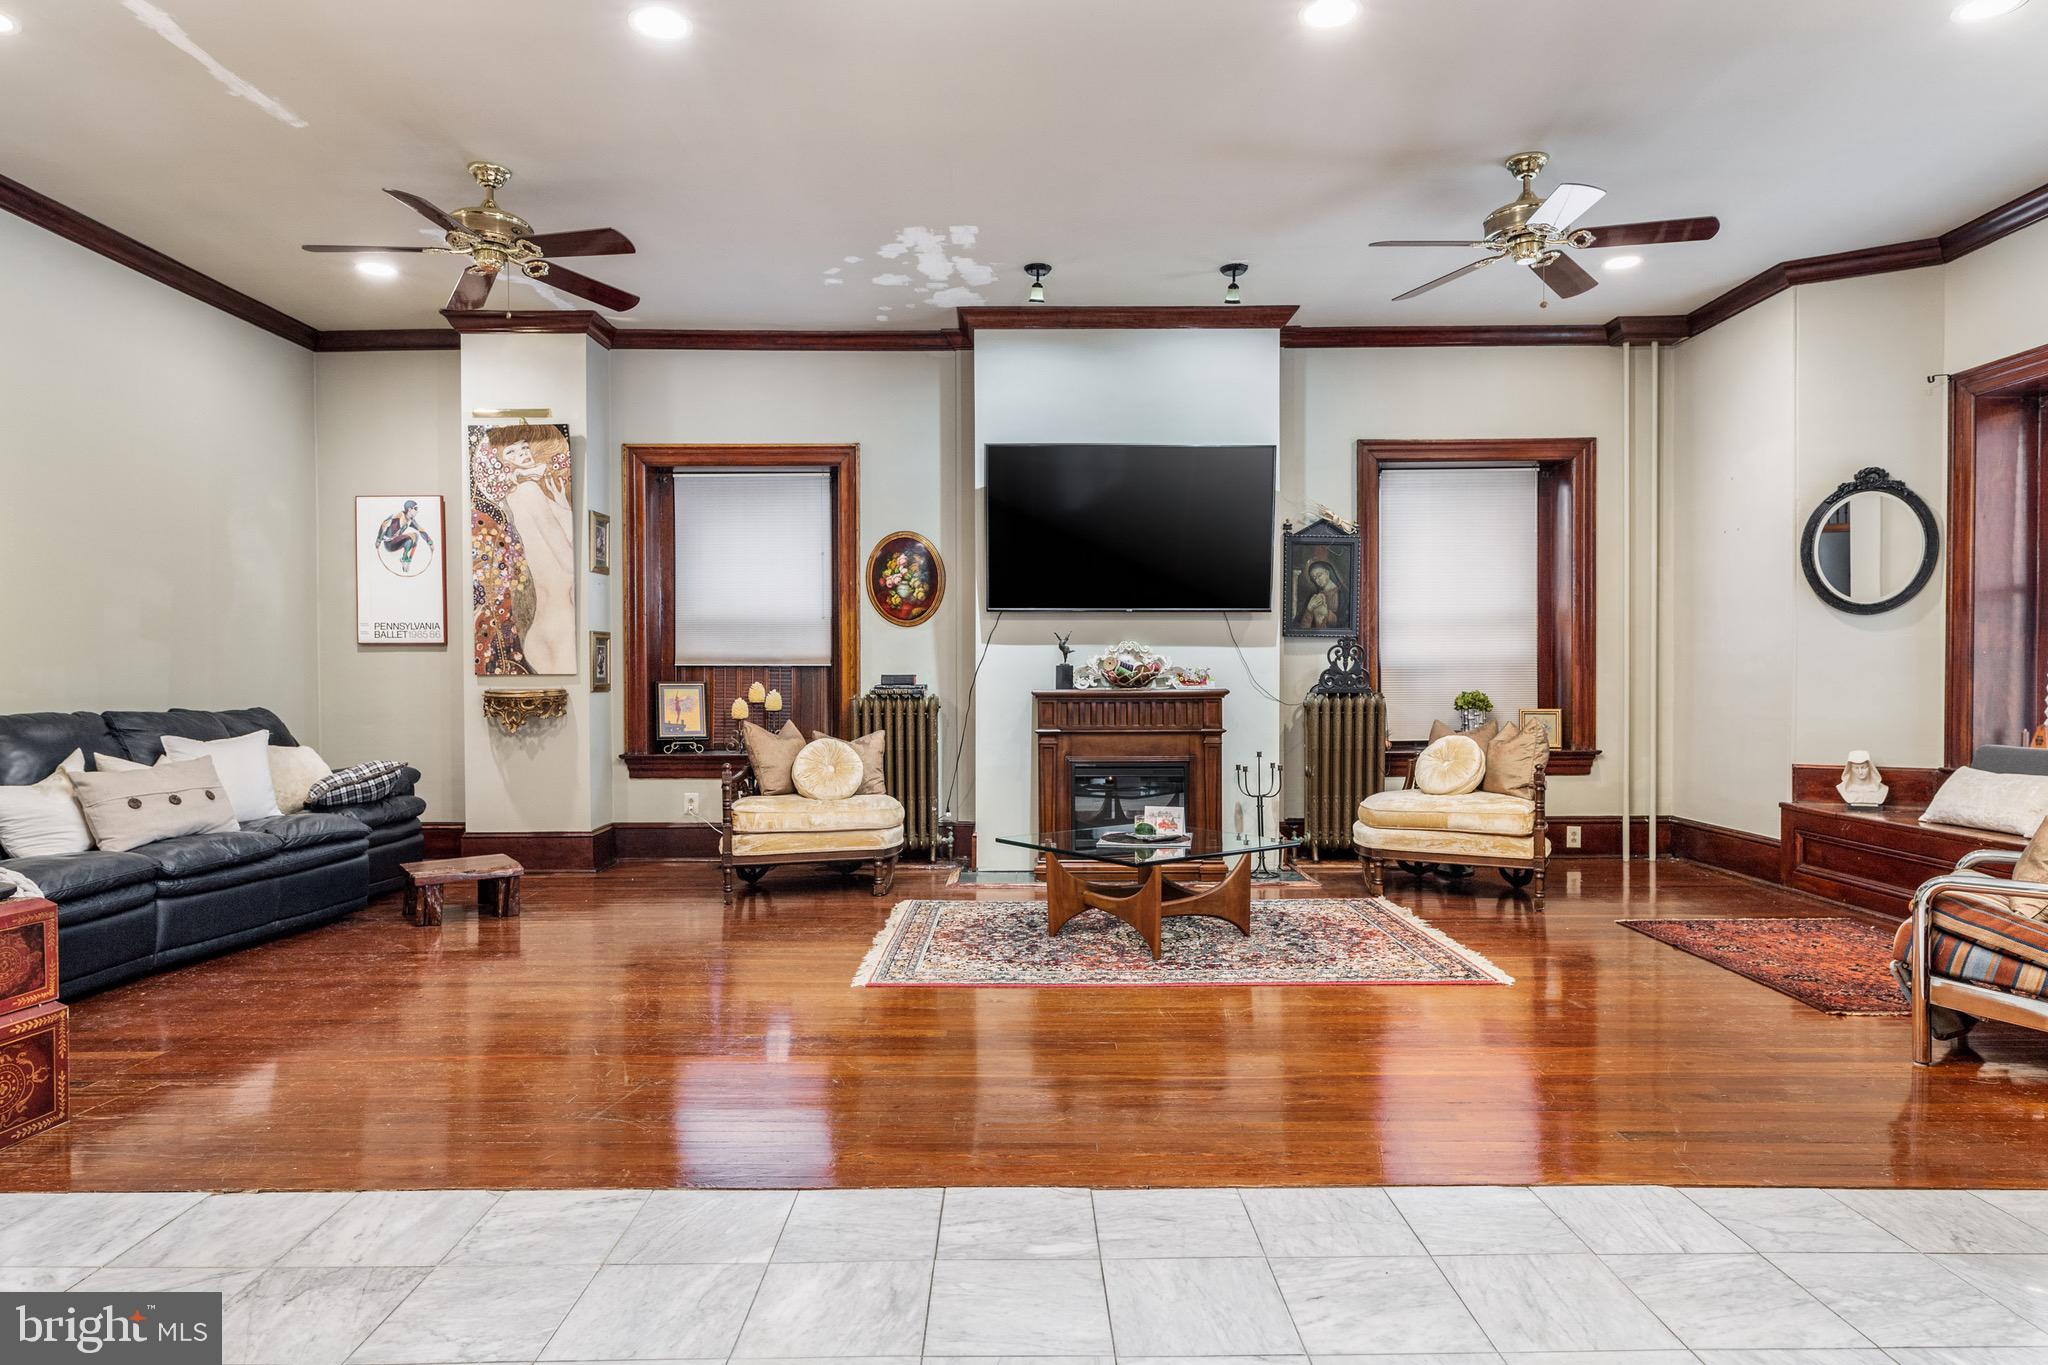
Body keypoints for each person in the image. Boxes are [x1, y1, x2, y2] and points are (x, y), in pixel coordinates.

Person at [490, 424, 575, 675]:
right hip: (559, 624)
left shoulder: (526, 493)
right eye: (512, 452)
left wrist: (562, 506)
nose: (523, 454)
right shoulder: (528, 492)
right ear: (501, 462)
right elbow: (569, 561)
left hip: (548, 621)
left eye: (524, 447)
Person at [376, 499, 434, 574]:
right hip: (389, 543)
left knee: (415, 536)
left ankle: (406, 559)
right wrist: (378, 540)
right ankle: (405, 560)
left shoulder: (410, 520)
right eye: (416, 509)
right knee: (412, 537)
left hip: (396, 542)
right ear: (409, 509)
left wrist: (430, 542)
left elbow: (420, 530)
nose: (417, 511)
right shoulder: (399, 516)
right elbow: (384, 524)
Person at [1295, 558, 1346, 632]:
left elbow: (1345, 623)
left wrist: (1327, 614)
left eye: (1319, 575)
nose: (1317, 580)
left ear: (1327, 573)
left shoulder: (1343, 595)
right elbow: (1300, 626)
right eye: (1314, 578)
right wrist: (1309, 610)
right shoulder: (1313, 596)